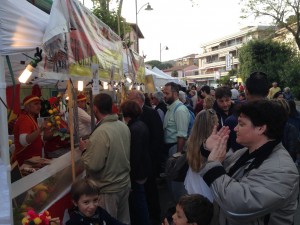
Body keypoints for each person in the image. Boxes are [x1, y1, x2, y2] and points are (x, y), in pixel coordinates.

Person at [200, 100, 299, 225]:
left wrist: (213, 164)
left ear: (260, 128)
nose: (235, 128)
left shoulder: (281, 170)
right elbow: (221, 168)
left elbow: (237, 207)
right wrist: (209, 150)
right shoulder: (247, 152)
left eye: (241, 124)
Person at [79, 93, 131, 224]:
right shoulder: (123, 126)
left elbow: (94, 165)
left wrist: (84, 150)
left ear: (95, 108)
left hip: (109, 189)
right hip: (123, 184)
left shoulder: (101, 132)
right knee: (123, 221)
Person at [127, 90, 164, 225]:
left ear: (138, 100)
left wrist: (153, 160)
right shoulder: (139, 114)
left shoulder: (150, 113)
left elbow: (157, 136)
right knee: (145, 193)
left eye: (129, 98)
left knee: (150, 191)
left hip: (148, 161)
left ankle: (154, 216)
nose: (127, 100)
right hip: (145, 161)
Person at [120, 100, 152, 225]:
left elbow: (134, 156)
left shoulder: (134, 129)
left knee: (139, 201)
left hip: (138, 172)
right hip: (143, 168)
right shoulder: (140, 124)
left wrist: (131, 178)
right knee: (140, 200)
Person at [225, 71, 269, 152]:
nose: (236, 128)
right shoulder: (279, 119)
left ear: (246, 91)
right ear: (268, 92)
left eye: (241, 124)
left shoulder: (232, 121)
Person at [184, 109, 218, 203]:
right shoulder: (212, 145)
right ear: (212, 125)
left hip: (192, 181)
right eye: (216, 122)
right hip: (207, 186)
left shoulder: (192, 141)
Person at [163, 82, 189, 202]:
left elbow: (182, 135)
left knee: (177, 183)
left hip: (175, 149)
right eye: (164, 93)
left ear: (175, 94)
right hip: (170, 149)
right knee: (172, 181)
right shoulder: (170, 108)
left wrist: (178, 155)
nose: (164, 95)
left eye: (166, 93)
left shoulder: (180, 110)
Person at [13, 95, 48, 165]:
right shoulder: (24, 119)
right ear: (27, 106)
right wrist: (40, 129)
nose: (39, 106)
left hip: (33, 161)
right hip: (26, 162)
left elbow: (38, 138)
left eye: (40, 104)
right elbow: (23, 141)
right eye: (36, 104)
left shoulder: (30, 118)